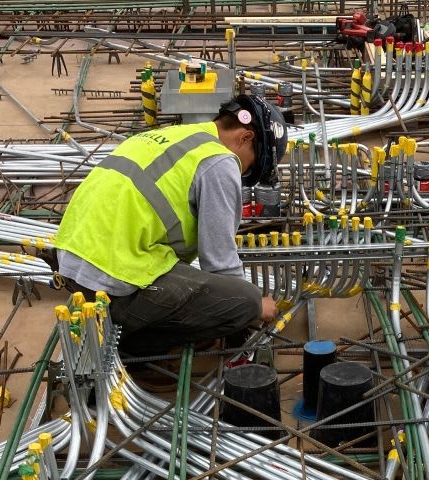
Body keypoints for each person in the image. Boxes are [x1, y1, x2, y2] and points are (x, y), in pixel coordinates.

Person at [54, 94, 286, 355]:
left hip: (71, 262)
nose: (242, 171)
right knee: (242, 301)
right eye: (249, 166)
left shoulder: (178, 135)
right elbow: (220, 263)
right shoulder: (219, 161)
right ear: (245, 138)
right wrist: (254, 307)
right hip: (114, 285)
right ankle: (127, 345)